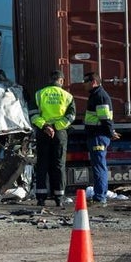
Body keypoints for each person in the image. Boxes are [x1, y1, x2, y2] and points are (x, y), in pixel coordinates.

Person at [31, 70, 76, 208]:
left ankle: (41, 198)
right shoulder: (67, 96)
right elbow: (71, 117)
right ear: (61, 81)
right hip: (59, 133)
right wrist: (56, 127)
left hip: (43, 132)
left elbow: (32, 114)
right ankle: (59, 197)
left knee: (42, 164)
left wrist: (45, 126)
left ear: (50, 79)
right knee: (59, 165)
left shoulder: (39, 94)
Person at [84, 72, 120, 206]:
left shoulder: (99, 96)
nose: (83, 84)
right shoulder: (96, 95)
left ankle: (100, 196)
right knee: (99, 166)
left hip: (98, 136)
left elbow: (105, 118)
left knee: (99, 166)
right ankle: (100, 195)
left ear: (93, 82)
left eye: (85, 81)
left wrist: (110, 132)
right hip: (97, 135)